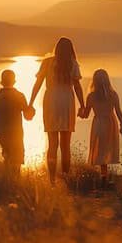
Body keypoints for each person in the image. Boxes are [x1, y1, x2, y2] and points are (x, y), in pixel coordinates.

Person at [29, 37, 85, 184]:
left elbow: (38, 84)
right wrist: (83, 105)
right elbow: (77, 86)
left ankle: (52, 179)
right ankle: (65, 178)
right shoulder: (72, 63)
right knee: (65, 145)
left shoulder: (47, 63)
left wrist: (31, 103)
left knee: (52, 143)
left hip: (51, 101)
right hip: (67, 100)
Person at [83, 69, 122, 188]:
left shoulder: (91, 96)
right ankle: (104, 178)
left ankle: (104, 177)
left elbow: (86, 114)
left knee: (100, 149)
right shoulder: (113, 94)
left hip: (98, 123)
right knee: (106, 149)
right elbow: (118, 112)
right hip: (110, 122)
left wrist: (80, 112)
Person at [0, 70, 35, 172]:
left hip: (2, 131)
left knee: (7, 155)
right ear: (14, 81)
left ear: (1, 81)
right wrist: (32, 111)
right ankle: (15, 179)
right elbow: (27, 115)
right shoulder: (20, 95)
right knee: (17, 157)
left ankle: (7, 178)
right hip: (17, 132)